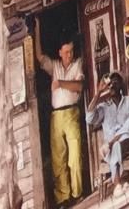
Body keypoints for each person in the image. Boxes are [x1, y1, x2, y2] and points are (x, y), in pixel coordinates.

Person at [35, 37, 87, 202]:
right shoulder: (55, 66)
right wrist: (36, 29)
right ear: (59, 53)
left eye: (71, 51)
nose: (69, 55)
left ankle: (77, 194)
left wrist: (60, 83)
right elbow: (39, 57)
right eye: (66, 52)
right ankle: (63, 198)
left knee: (75, 156)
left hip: (71, 112)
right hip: (56, 116)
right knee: (58, 159)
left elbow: (79, 86)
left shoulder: (77, 64)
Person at [86, 72, 129, 186]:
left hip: (126, 142)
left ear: (121, 85)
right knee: (115, 146)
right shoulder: (104, 107)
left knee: (116, 145)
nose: (112, 86)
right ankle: (118, 182)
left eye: (115, 82)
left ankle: (116, 183)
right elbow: (89, 118)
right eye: (110, 84)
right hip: (109, 148)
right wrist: (98, 92)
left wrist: (112, 142)